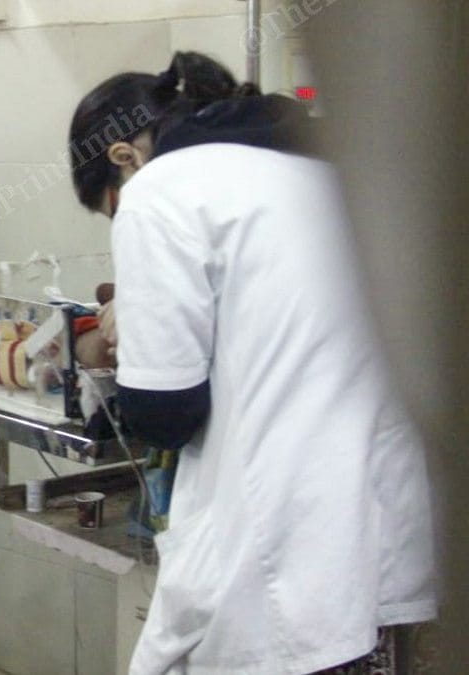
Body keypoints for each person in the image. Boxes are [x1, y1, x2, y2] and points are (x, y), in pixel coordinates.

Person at [68, 52, 436, 674]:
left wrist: (137, 341)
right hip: (387, 524)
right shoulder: (324, 168)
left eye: (110, 205)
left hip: (282, 542)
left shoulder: (160, 191)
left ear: (124, 158)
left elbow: (164, 415)